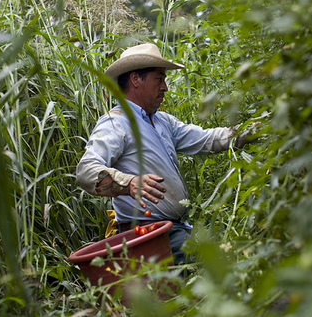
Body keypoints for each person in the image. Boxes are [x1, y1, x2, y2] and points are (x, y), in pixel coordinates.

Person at [76, 43, 249, 265]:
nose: (165, 87)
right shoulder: (116, 123)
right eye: (159, 79)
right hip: (146, 236)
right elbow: (86, 170)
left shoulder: (162, 122)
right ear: (136, 80)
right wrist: (128, 183)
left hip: (172, 229)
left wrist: (250, 131)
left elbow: (208, 139)